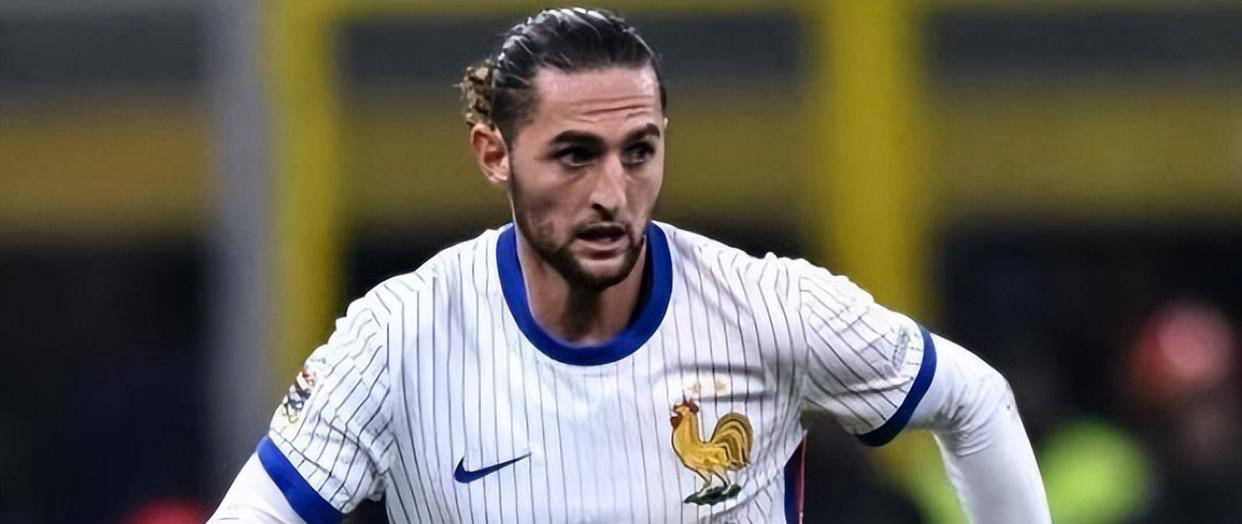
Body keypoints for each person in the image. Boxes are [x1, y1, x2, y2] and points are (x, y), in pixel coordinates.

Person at [209, 7, 1050, 523]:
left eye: (638, 151)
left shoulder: (768, 308)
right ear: (494, 154)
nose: (613, 193)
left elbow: (974, 401)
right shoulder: (400, 336)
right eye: (575, 155)